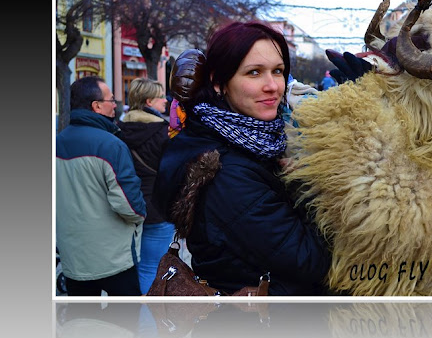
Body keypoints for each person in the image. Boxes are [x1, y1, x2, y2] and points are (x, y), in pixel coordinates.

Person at [152, 21, 331, 295]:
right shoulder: (227, 173)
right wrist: (318, 189)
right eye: (254, 72)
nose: (272, 86)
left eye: (278, 71)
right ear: (219, 83)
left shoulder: (259, 144)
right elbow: (311, 261)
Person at [56, 76, 146, 296]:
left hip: (73, 256)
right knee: (124, 325)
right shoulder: (111, 145)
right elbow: (130, 207)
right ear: (96, 106)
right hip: (113, 257)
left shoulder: (56, 142)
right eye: (111, 100)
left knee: (82, 324)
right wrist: (141, 215)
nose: (116, 104)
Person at [117, 78, 173, 294]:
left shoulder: (118, 130)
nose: (166, 102)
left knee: (132, 268)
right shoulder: (163, 132)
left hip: (126, 207)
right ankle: (147, 324)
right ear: (149, 101)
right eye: (161, 97)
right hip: (157, 209)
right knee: (151, 267)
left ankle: (137, 320)